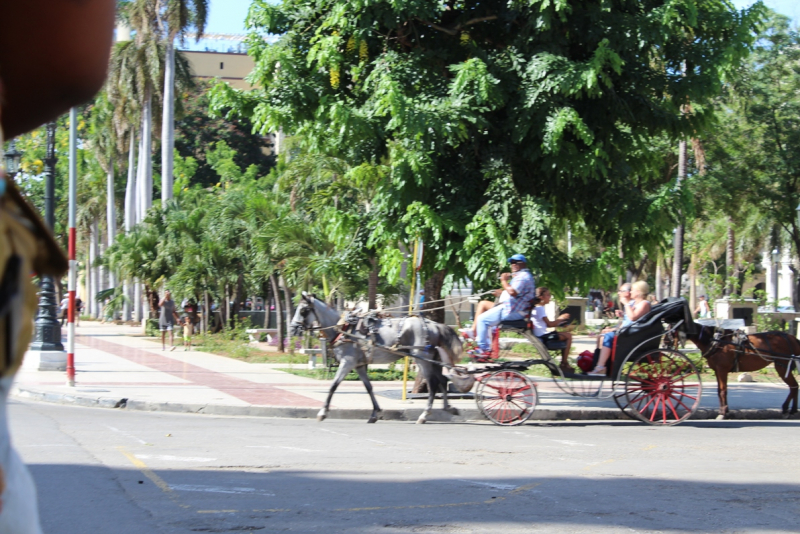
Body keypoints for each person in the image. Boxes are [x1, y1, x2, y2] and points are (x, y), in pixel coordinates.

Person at [472, 254, 536, 361]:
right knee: (485, 315)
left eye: (517, 262)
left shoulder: (523, 277)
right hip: (513, 308)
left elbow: (512, 292)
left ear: (524, 264)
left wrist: (503, 281)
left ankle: (483, 350)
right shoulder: (520, 276)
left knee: (482, 319)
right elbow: (513, 292)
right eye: (512, 262)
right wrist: (501, 292)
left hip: (513, 311)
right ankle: (484, 344)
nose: (513, 264)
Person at [589, 281, 651, 375]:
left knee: (608, 336)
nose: (631, 292)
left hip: (632, 335)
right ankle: (601, 366)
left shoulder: (644, 304)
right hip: (626, 332)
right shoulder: (634, 303)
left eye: (632, 290)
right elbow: (628, 320)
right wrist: (622, 316)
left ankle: (601, 367)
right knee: (603, 335)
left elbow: (633, 317)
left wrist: (626, 304)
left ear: (638, 292)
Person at [530, 287, 573, 372]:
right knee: (569, 336)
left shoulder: (537, 308)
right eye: (548, 295)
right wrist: (561, 318)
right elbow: (549, 324)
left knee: (566, 335)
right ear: (541, 297)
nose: (550, 297)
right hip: (543, 336)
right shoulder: (539, 308)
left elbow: (546, 324)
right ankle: (564, 363)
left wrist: (560, 323)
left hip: (543, 334)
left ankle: (564, 363)